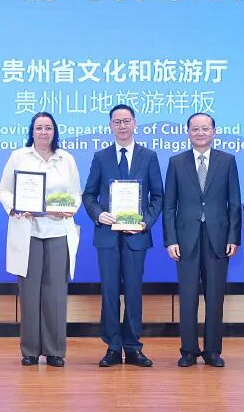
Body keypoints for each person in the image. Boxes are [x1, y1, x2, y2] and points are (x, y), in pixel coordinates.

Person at [0, 112, 81, 367]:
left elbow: (76, 194)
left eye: (48, 128)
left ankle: (55, 351)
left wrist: (69, 208)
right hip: (28, 230)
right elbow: (3, 190)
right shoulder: (19, 156)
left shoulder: (66, 159)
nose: (44, 132)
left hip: (58, 231)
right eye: (39, 128)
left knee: (56, 293)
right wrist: (15, 207)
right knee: (29, 292)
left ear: (55, 131)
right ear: (31, 131)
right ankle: (30, 350)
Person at [82, 104, 164, 368]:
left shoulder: (149, 156)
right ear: (110, 126)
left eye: (126, 121)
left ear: (135, 123)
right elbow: (89, 195)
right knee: (109, 292)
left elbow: (158, 196)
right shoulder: (101, 157)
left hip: (136, 236)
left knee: (133, 291)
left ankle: (133, 346)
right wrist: (99, 214)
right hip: (107, 236)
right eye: (117, 122)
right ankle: (113, 347)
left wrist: (145, 222)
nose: (122, 126)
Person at [163, 112, 241, 368]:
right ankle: (188, 350)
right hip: (185, 239)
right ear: (188, 132)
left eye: (205, 128)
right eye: (195, 129)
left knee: (215, 297)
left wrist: (233, 236)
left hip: (218, 238)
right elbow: (169, 206)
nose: (200, 133)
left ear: (213, 132)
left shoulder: (227, 161)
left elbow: (234, 203)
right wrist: (170, 240)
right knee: (187, 297)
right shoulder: (176, 162)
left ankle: (212, 351)